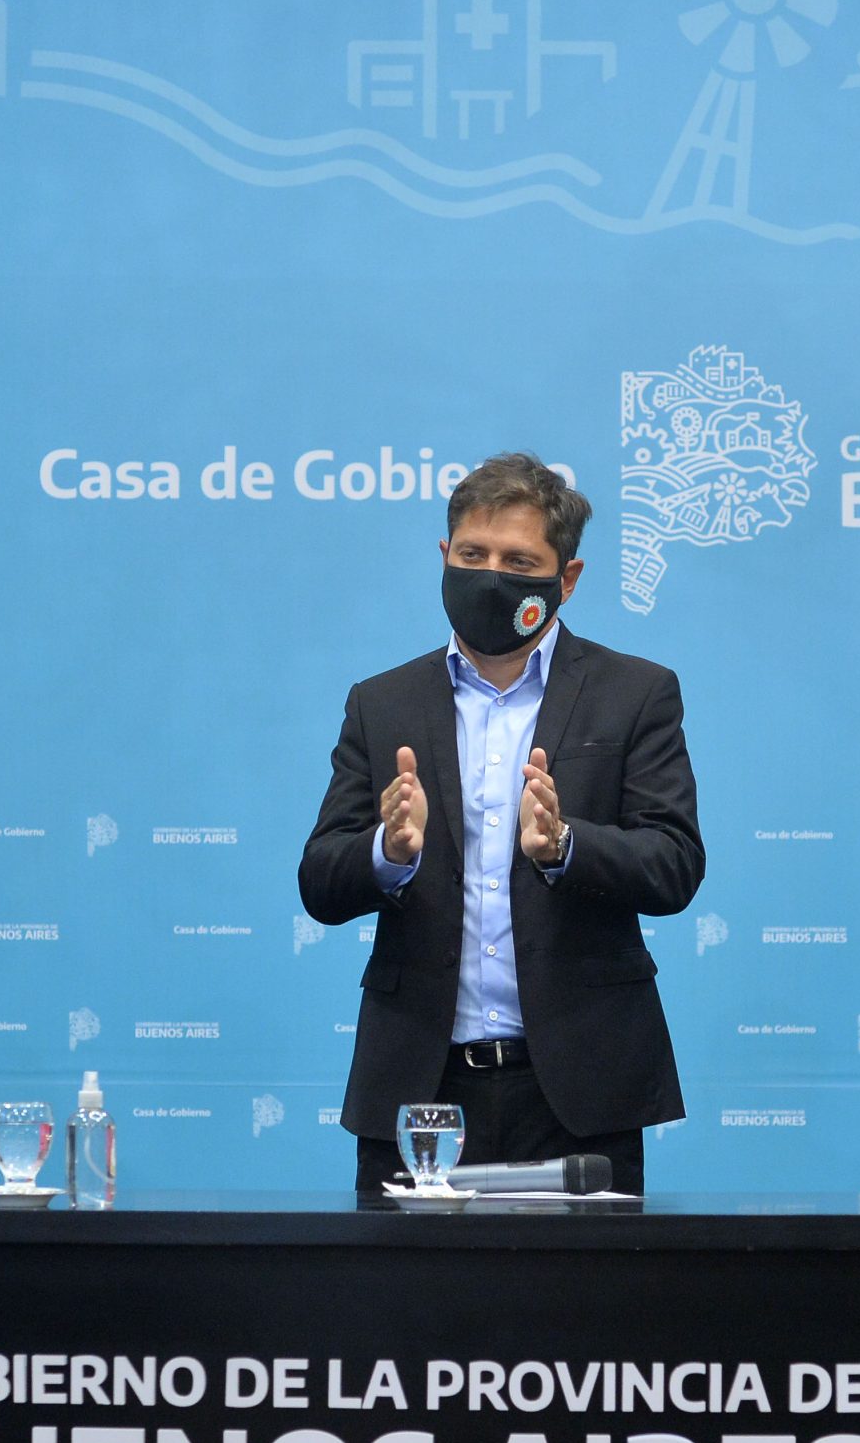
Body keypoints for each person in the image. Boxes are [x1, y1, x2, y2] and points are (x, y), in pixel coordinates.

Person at [299, 453, 705, 1194]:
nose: (491, 577)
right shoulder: (382, 703)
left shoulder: (635, 694)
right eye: (472, 555)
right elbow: (321, 882)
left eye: (519, 562)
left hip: (580, 1090)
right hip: (419, 1094)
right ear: (444, 556)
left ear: (566, 579)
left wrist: (567, 846)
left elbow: (673, 863)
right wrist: (388, 851)